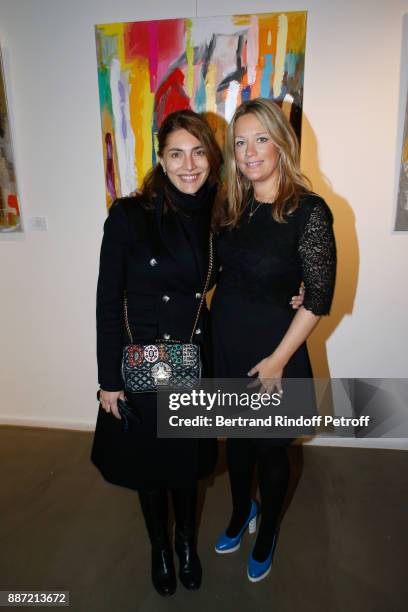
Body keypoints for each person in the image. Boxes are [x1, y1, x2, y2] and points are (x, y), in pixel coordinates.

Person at [91, 109, 223, 597]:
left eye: (198, 152)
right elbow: (108, 300)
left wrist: (294, 290)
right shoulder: (130, 215)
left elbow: (243, 273)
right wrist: (109, 379)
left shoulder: (220, 214)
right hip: (142, 359)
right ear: (160, 158)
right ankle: (160, 548)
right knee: (150, 467)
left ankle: (186, 543)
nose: (189, 164)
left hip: (191, 359)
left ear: (211, 156)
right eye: (176, 153)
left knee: (185, 466)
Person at [211, 98, 336, 582]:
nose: (250, 152)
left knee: (271, 447)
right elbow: (214, 273)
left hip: (274, 351)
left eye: (260, 138)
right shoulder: (232, 206)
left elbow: (318, 297)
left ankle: (267, 533)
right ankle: (244, 511)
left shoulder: (308, 211)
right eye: (240, 143)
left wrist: (279, 361)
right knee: (236, 443)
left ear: (281, 143)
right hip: (228, 343)